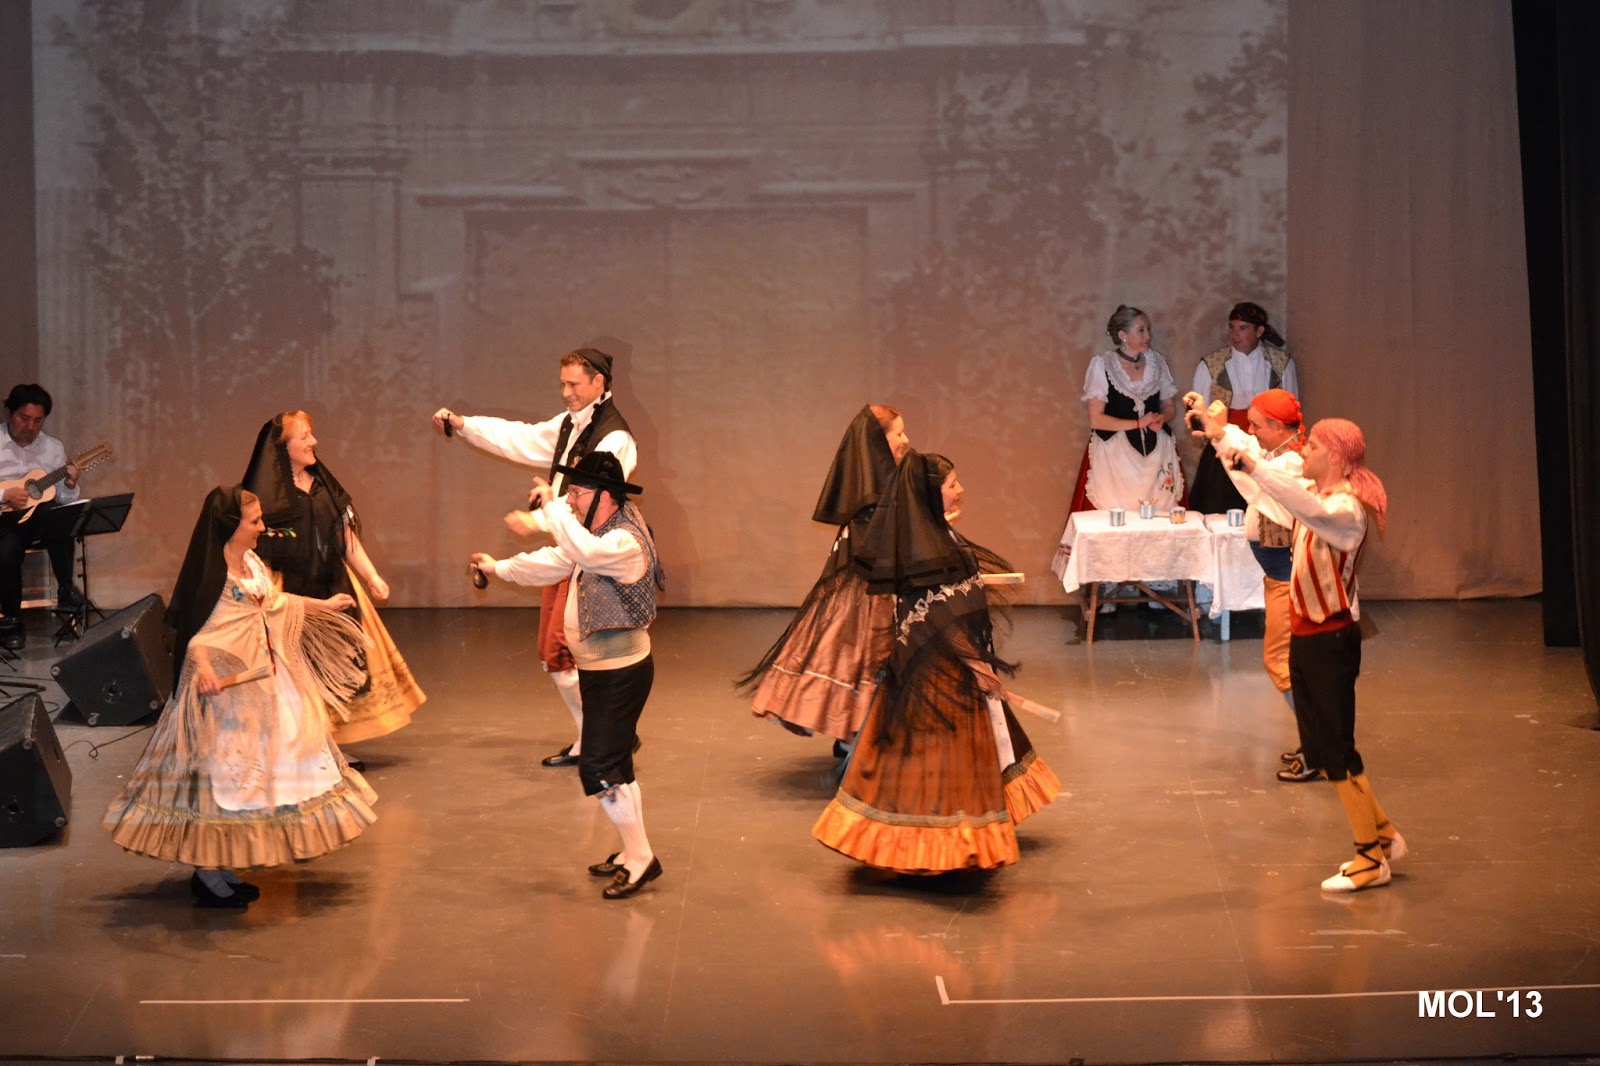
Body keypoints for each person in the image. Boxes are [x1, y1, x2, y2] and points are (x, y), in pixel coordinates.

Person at [103, 486, 376, 908]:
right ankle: (207, 872)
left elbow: (273, 604)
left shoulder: (251, 563)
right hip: (225, 697)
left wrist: (321, 605)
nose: (262, 528)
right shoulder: (213, 578)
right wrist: (205, 670)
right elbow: (197, 637)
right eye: (254, 521)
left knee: (255, 780)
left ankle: (223, 866)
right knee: (222, 781)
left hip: (264, 682)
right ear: (232, 525)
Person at [812, 451, 1059, 874]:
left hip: (939, 665)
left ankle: (935, 845)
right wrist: (978, 667)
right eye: (951, 485)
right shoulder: (925, 550)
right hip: (938, 675)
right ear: (930, 493)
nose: (960, 490)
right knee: (934, 765)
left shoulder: (933, 536)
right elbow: (941, 617)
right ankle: (936, 848)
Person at [1218, 418, 1404, 892]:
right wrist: (1224, 438)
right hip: (1307, 636)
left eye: (1314, 446)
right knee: (1322, 749)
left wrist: (1255, 465)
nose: (1304, 451)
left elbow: (1295, 499)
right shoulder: (1313, 493)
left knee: (1338, 751)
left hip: (1330, 640)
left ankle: (1370, 858)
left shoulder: (1344, 509)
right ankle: (1382, 835)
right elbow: (1269, 490)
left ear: (1336, 457)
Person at [471, 451, 666, 899]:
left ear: (604, 496)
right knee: (616, 766)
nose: (571, 501)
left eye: (576, 493)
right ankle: (633, 852)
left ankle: (641, 859)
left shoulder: (623, 542)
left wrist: (551, 508)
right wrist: (497, 568)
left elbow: (582, 552)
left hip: (621, 674)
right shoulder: (596, 533)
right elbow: (557, 560)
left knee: (600, 768)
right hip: (604, 672)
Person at [434, 346, 636, 769]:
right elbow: (521, 438)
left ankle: (602, 737)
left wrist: (540, 518)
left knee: (565, 651)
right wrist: (464, 424)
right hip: (568, 551)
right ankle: (597, 735)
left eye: (573, 384)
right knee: (555, 653)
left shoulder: (614, 439)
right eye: (562, 384)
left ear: (599, 382)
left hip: (589, 559)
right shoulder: (571, 425)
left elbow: (594, 501)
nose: (566, 392)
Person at [243, 412, 425, 753]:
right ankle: (311, 747)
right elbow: (256, 552)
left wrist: (371, 576)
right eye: (304, 437)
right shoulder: (267, 500)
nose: (313, 442)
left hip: (333, 583)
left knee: (341, 664)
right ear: (283, 448)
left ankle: (331, 745)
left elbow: (345, 538)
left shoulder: (323, 487)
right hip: (292, 592)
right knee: (299, 671)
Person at [738, 405, 910, 745]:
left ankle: (854, 736)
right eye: (899, 433)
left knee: (852, 660)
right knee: (859, 659)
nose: (905, 440)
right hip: (867, 595)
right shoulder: (874, 496)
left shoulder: (881, 487)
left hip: (864, 590)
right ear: (878, 442)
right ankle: (855, 738)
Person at [1185, 388, 1317, 781]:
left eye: (1258, 425)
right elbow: (1250, 451)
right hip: (1280, 580)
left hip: (1289, 582)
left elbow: (1252, 475)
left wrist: (1219, 435)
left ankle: (1320, 747)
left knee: (1283, 663)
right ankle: (1316, 742)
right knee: (1292, 665)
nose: (1253, 431)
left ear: (1278, 426)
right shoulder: (1280, 453)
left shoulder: (1291, 466)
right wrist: (1218, 431)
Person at [1067, 305, 1184, 515]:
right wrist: (1138, 423)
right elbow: (1096, 420)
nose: (1148, 335)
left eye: (1148, 329)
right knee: (1114, 515)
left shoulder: (1157, 362)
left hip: (1157, 453)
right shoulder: (1103, 365)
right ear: (1123, 335)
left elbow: (1169, 407)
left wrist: (1161, 417)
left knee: (1160, 512)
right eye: (1141, 330)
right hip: (1115, 455)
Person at [1186, 302, 1298, 515]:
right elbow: (1199, 415)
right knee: (1220, 508)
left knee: (1263, 508)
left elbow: (1290, 412)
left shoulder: (1282, 364)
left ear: (1259, 331)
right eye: (1232, 327)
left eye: (1243, 328)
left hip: (1266, 449)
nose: (1234, 334)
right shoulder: (1211, 364)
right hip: (1224, 447)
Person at [0, 384, 86, 650]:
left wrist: (70, 485)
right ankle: (11, 620)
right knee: (7, 550)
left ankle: (65, 590)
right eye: (24, 418)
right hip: (4, 521)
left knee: (58, 517)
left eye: (38, 421)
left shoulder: (52, 448)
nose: (30, 427)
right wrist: (4, 494)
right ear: (8, 413)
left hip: (38, 521)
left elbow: (64, 499)